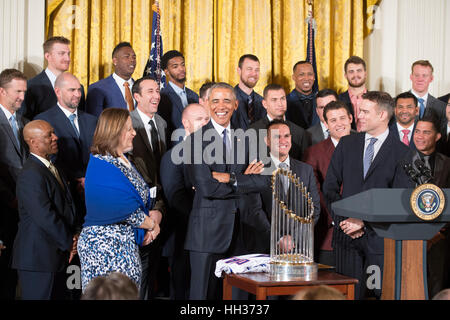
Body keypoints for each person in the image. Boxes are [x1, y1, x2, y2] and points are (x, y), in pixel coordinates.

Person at [323, 91, 413, 300]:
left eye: (364, 111)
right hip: (346, 241)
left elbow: (399, 200)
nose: (359, 116)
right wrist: (346, 220)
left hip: (379, 244)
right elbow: (329, 189)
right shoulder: (347, 144)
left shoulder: (403, 153)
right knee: (344, 297)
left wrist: (363, 221)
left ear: (382, 115)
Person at [77, 108, 160, 291]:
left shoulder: (123, 159)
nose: (134, 133)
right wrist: (152, 225)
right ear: (115, 132)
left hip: (125, 243)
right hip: (104, 247)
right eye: (129, 129)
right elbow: (121, 206)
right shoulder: (102, 161)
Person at [184, 82, 250, 300]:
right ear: (206, 104)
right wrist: (241, 182)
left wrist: (228, 179)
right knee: (202, 299)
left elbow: (260, 182)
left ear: (236, 104)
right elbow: (205, 186)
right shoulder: (195, 140)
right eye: (215, 101)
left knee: (238, 299)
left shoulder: (246, 138)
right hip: (205, 234)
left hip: (240, 233)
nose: (221, 106)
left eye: (227, 100)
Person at [12, 120, 77, 300]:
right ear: (33, 142)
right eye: (49, 135)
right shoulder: (30, 174)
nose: (55, 138)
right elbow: (45, 216)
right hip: (38, 260)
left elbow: (68, 207)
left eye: (53, 132)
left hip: (57, 256)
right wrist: (69, 243)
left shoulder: (53, 167)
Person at [160, 103, 210, 299]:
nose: (205, 124)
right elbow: (176, 198)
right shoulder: (174, 156)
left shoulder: (217, 153)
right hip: (184, 238)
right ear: (185, 123)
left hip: (212, 237)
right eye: (199, 120)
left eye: (207, 119)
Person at [35, 72, 97, 219]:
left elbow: (99, 153)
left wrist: (89, 179)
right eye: (72, 90)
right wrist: (77, 180)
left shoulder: (92, 120)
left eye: (79, 90)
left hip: (93, 192)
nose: (77, 94)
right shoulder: (43, 120)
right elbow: (47, 159)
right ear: (58, 91)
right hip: (64, 194)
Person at [129, 76, 167, 299]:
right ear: (137, 97)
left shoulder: (161, 123)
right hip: (136, 207)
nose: (156, 96)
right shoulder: (127, 122)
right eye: (150, 91)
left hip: (159, 206)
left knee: (151, 272)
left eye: (158, 91)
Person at [303, 101, 353, 267]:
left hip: (363, 231)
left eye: (342, 118)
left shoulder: (367, 147)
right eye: (333, 120)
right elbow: (314, 193)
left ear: (350, 118)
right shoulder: (314, 153)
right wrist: (339, 220)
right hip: (330, 233)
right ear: (325, 124)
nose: (339, 124)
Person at [411, 115, 450, 298]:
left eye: (426, 132)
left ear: (437, 136)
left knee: (436, 286)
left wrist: (437, 233)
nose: (420, 136)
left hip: (439, 240)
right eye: (417, 131)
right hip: (407, 239)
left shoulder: (448, 164)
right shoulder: (400, 161)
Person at [0, 69, 29, 299]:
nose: (22, 96)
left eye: (24, 92)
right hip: (3, 206)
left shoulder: (23, 121)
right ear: (2, 91)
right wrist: (10, 197)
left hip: (23, 206)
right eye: (17, 91)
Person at [22, 36, 86, 119]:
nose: (67, 58)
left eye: (68, 54)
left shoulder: (79, 88)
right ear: (48, 56)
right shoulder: (31, 86)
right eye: (61, 53)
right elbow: (25, 122)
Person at [249, 83, 309, 161]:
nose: (280, 104)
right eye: (274, 100)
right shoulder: (252, 131)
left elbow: (304, 166)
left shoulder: (300, 133)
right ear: (264, 104)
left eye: (282, 99)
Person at [86, 42, 137, 116]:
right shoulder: (98, 88)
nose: (132, 60)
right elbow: (94, 122)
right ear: (115, 61)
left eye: (134, 57)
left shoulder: (142, 88)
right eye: (127, 56)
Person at [158, 50, 199, 133]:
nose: (181, 69)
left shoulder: (194, 95)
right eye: (175, 66)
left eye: (182, 65)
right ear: (166, 71)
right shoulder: (162, 97)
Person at [231, 54, 266, 130]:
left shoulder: (263, 102)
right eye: (249, 69)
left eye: (257, 70)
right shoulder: (227, 99)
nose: (254, 74)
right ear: (239, 71)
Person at [409, 60, 446, 129]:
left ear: (431, 78)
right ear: (411, 77)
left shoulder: (442, 107)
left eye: (424, 76)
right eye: (417, 75)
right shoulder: (395, 103)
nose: (420, 79)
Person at [286, 61, 319, 129]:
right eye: (301, 74)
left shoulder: (322, 100)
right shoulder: (285, 102)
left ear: (314, 77)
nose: (306, 78)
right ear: (293, 77)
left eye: (310, 74)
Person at [338, 56, 368, 131]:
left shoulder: (376, 100)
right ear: (345, 75)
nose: (355, 75)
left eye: (359, 70)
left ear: (365, 73)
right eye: (351, 71)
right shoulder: (337, 100)